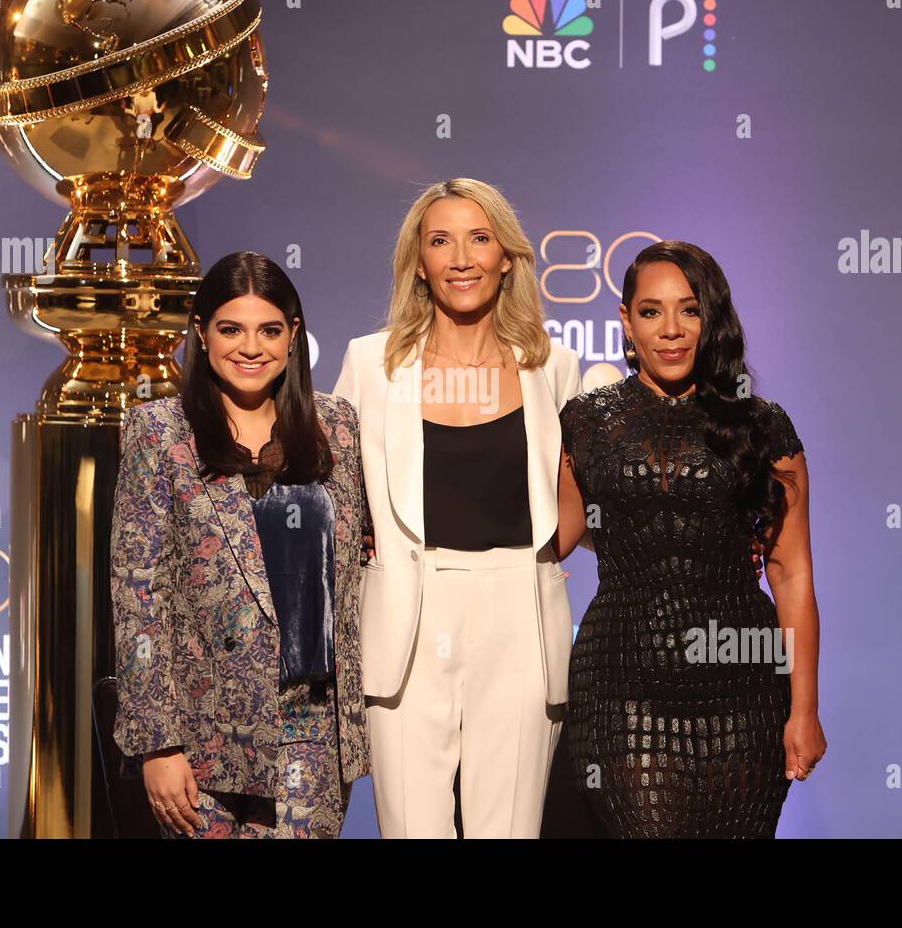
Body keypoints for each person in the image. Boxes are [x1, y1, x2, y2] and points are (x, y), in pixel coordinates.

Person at [333, 178, 582, 837]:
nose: (462, 258)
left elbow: (577, 501)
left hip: (520, 616)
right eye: (440, 240)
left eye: (480, 238)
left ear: (508, 256)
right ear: (420, 261)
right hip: (408, 620)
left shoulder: (554, 367)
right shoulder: (369, 363)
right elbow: (332, 495)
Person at [555, 240, 826, 838]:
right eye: (651, 311)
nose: (671, 330)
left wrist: (804, 709)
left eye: (690, 310)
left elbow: (792, 573)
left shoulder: (761, 424)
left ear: (713, 317)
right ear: (626, 322)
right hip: (625, 690)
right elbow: (549, 539)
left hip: (744, 687)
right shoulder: (586, 421)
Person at [110, 251, 370, 838]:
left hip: (314, 726)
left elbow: (355, 564)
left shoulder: (339, 427)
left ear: (294, 336)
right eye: (231, 329)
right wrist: (157, 744)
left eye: (269, 330)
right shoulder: (159, 431)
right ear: (201, 334)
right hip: (202, 735)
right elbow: (138, 599)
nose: (251, 347)